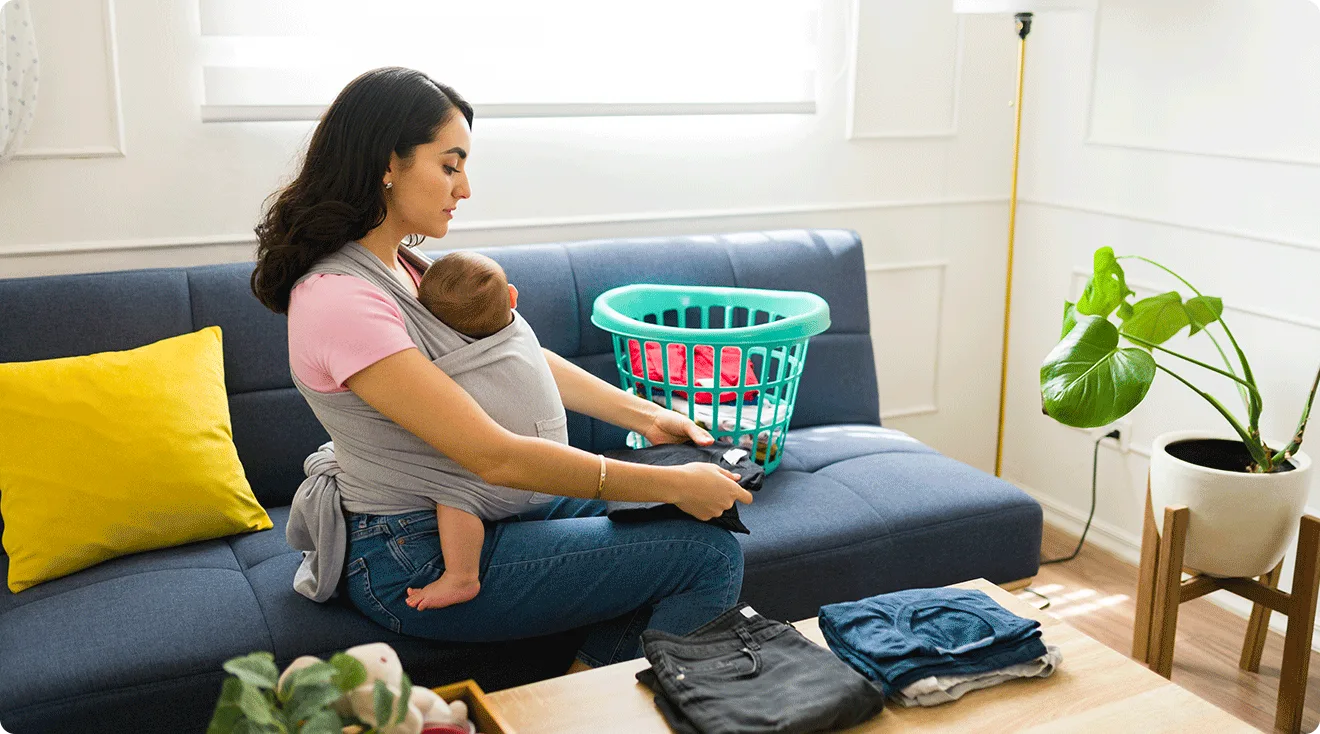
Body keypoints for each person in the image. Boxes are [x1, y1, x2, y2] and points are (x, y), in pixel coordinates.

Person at [250, 67, 753, 673]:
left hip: (489, 510)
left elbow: (510, 362)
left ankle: (580, 700)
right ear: (388, 163)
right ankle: (602, 706)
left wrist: (648, 416)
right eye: (449, 164)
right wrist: (674, 483)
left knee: (672, 524)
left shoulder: (409, 269)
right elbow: (493, 455)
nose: (463, 189)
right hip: (413, 553)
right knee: (707, 554)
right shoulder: (339, 299)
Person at [405, 251, 538, 611]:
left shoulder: (442, 361)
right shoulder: (522, 338)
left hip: (508, 483)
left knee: (454, 489)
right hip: (552, 470)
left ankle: (462, 575)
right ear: (512, 297)